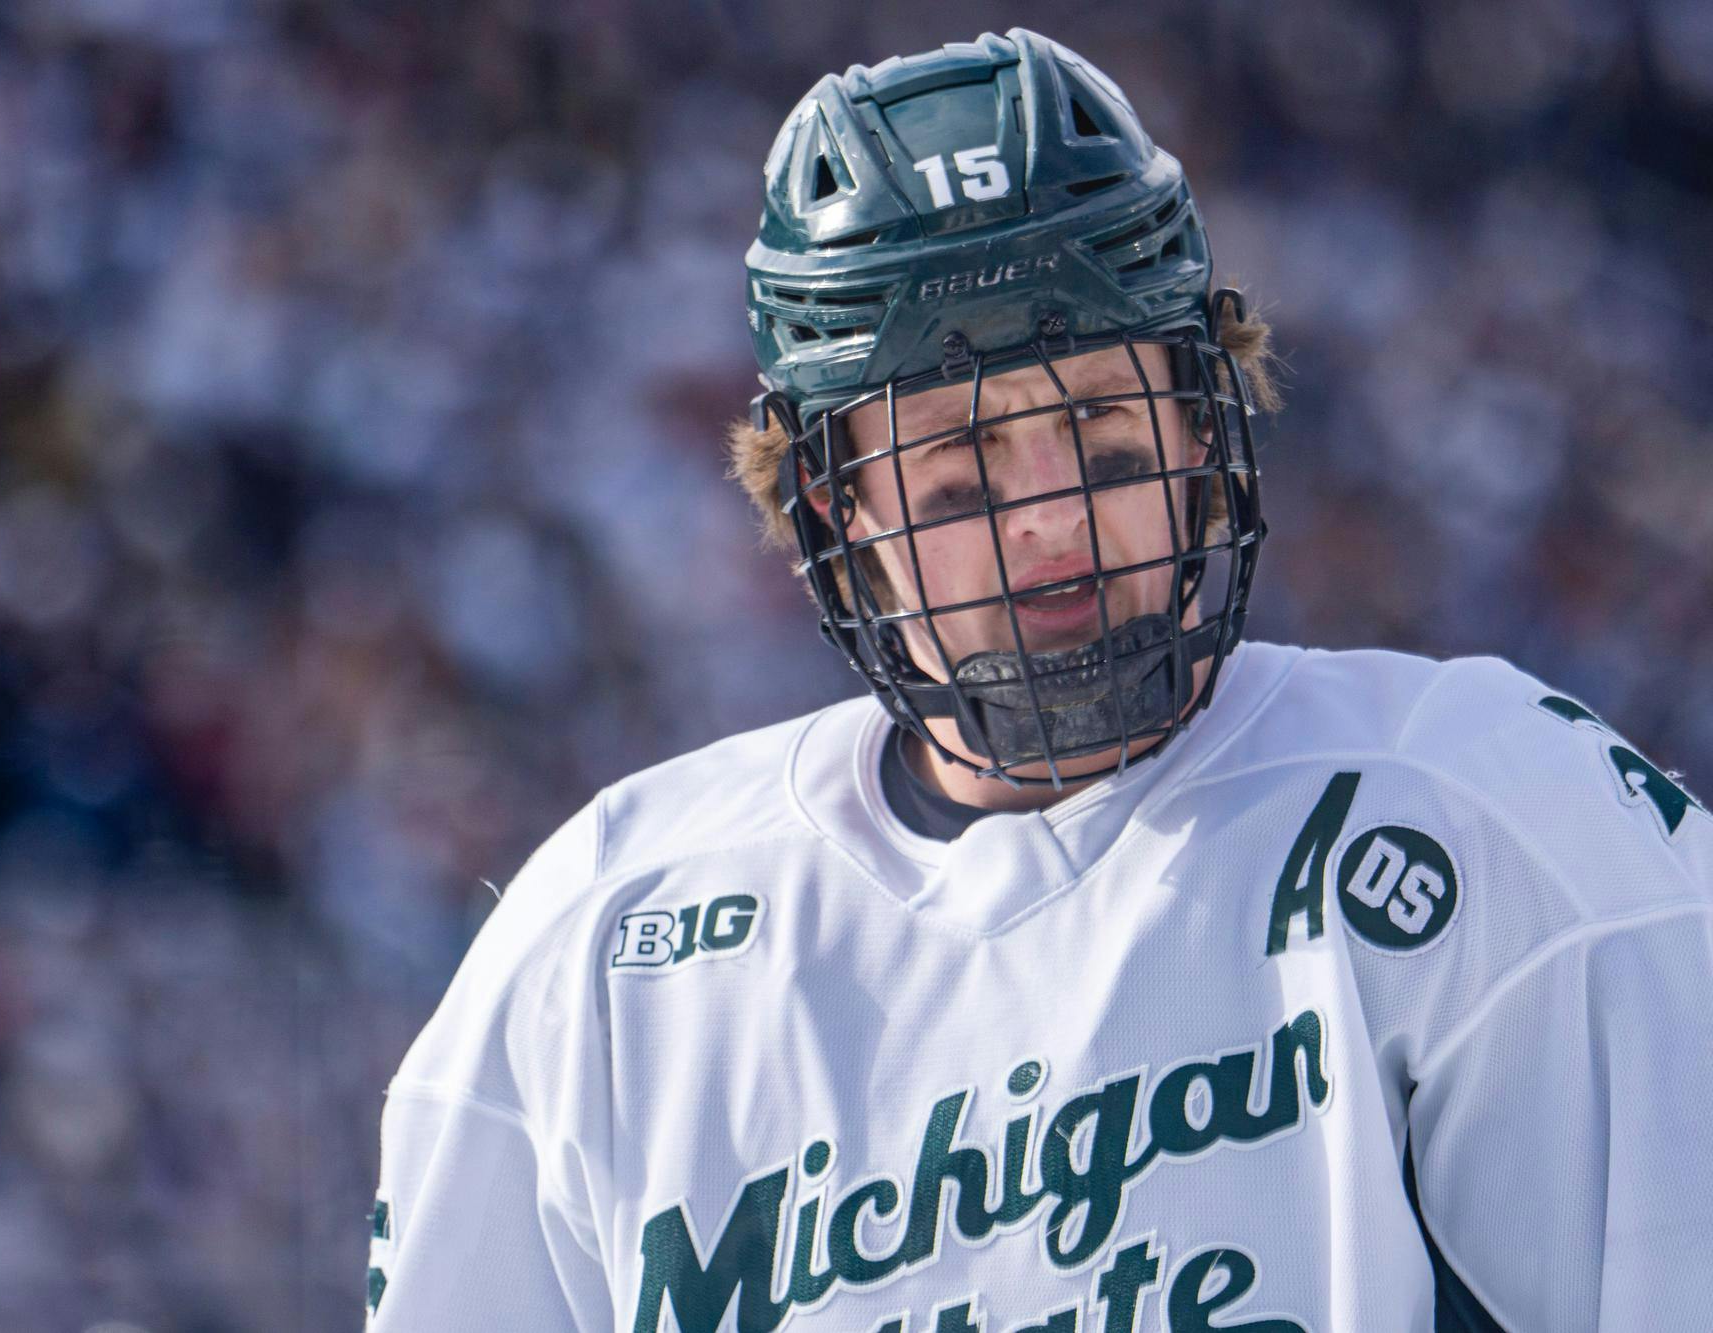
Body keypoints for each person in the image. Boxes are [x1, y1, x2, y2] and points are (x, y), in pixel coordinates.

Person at [364, 29, 1713, 1332]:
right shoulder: (600, 943)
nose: (1049, 520)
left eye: (1106, 440)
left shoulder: (1486, 809)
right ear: (835, 519)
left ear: (1206, 423)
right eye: (957, 472)